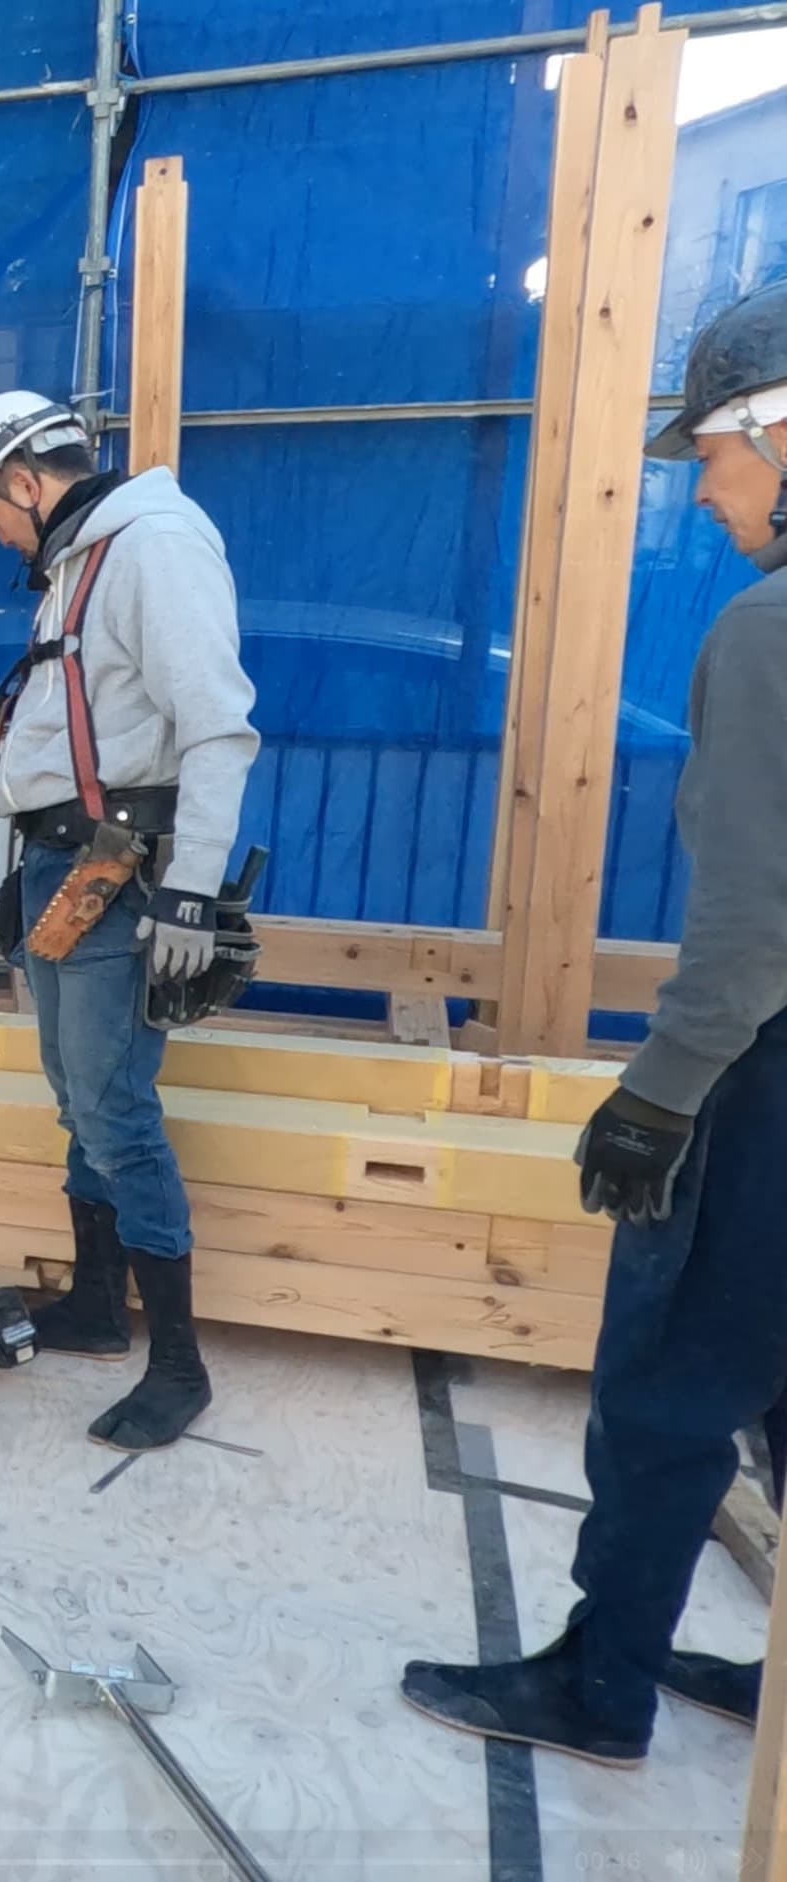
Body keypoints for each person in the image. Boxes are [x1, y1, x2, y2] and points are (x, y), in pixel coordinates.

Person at [400, 280, 787, 1768]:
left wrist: (660, 1094)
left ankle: (598, 1686)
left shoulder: (768, 629)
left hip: (762, 1072)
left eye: (716, 455)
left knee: (667, 1385)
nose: (705, 491)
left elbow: (754, 919)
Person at [0, 389, 260, 1453]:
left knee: (116, 1106)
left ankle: (178, 1364)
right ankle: (93, 1303)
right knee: (77, 1095)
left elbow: (216, 731)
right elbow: (75, 722)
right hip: (65, 867)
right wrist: (28, 862)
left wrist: (191, 891)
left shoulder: (154, 547)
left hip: (121, 874)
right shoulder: (80, 561)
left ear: (25, 481)